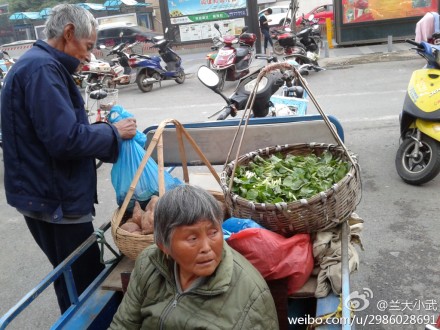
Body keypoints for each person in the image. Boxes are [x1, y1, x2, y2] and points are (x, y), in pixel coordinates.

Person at [0, 4, 137, 313]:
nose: (89, 55)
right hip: (55, 198)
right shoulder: (41, 70)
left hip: (43, 193)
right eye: (88, 47)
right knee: (84, 281)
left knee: (69, 276)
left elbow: (56, 131)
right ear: (69, 33)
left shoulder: (39, 65)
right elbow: (65, 140)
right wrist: (113, 132)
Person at [110, 185, 279, 329]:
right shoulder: (148, 262)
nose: (206, 248)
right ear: (164, 246)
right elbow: (123, 324)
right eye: (192, 238)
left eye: (213, 232)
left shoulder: (251, 295)